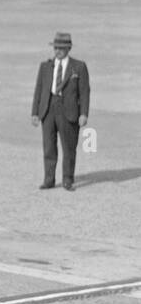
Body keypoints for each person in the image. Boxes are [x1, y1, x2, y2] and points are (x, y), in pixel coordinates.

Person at [31, 31, 90, 192]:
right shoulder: (45, 66)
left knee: (69, 147)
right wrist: (35, 113)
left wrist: (84, 113)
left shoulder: (79, 67)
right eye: (56, 47)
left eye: (61, 48)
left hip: (69, 111)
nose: (57, 50)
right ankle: (49, 180)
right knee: (49, 146)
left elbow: (84, 92)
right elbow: (39, 90)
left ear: (69, 48)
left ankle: (67, 180)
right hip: (48, 109)